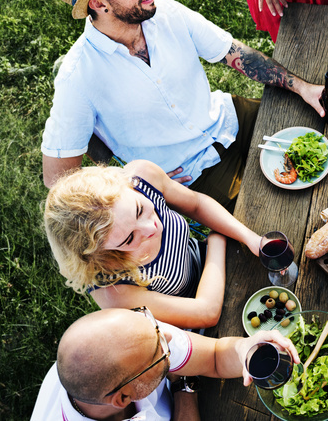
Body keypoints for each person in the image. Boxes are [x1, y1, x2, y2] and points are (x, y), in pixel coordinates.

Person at [42, 0, 328, 202]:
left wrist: (304, 88)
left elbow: (235, 54)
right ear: (98, 4)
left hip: (229, 119)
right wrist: (126, 182)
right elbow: (57, 178)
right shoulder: (78, 77)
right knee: (283, 209)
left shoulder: (168, 13)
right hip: (193, 176)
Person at [44, 160, 260, 329]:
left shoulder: (141, 178)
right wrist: (216, 240)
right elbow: (206, 313)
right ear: (101, 254)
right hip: (204, 320)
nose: (151, 228)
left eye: (139, 209)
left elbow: (196, 205)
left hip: (218, 261)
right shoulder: (112, 289)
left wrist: (251, 238)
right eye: (129, 238)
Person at [30, 305, 299, 421]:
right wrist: (184, 386)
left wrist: (245, 348)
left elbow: (215, 357)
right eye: (159, 353)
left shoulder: (139, 337)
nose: (169, 336)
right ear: (124, 397)